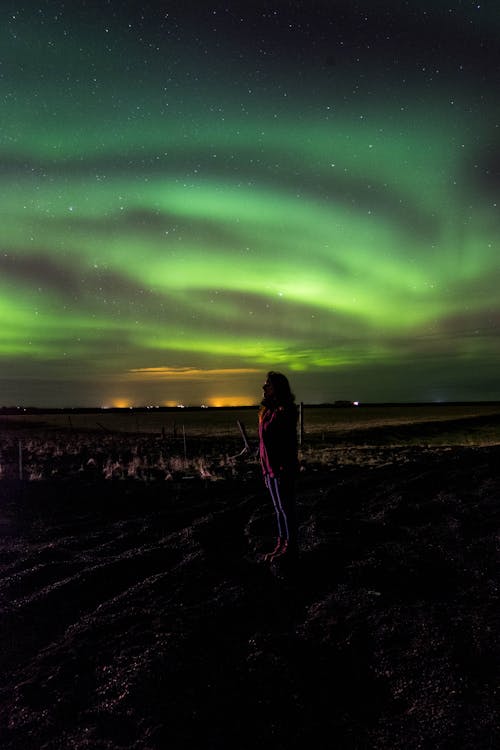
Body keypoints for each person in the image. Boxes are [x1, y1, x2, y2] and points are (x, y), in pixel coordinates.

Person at [258, 371, 299, 562]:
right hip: (270, 468)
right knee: (278, 508)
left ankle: (290, 546)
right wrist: (264, 468)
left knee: (286, 508)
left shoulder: (285, 411)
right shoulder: (267, 411)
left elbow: (288, 442)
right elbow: (263, 443)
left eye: (268, 385)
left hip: (282, 469)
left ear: (277, 389)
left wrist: (284, 468)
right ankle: (281, 543)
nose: (264, 388)